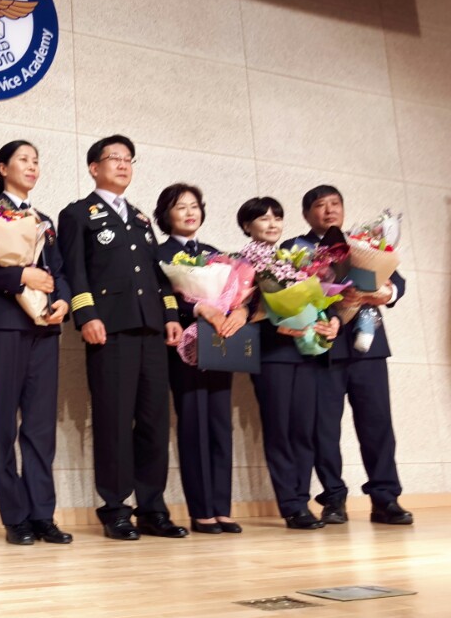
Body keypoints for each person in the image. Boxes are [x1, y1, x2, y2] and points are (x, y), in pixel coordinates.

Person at [57, 135, 187, 541]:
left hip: (151, 330)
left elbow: (158, 276)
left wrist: (170, 316)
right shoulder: (78, 214)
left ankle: (152, 508)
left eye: (129, 158)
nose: (123, 164)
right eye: (114, 157)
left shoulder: (142, 219)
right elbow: (74, 270)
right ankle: (115, 508)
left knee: (153, 421)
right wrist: (86, 314)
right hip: (110, 331)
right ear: (94, 168)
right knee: (113, 421)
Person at [286, 185, 412, 525]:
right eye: (320, 205)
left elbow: (397, 282)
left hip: (368, 347)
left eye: (335, 203)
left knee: (377, 424)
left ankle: (385, 498)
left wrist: (384, 292)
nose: (329, 210)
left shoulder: (363, 242)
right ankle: (333, 498)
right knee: (323, 429)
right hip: (322, 348)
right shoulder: (296, 248)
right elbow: (290, 293)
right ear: (306, 214)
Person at [0, 140, 73, 546]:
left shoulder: (44, 219)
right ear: (3, 167)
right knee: (3, 424)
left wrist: (63, 298)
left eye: (36, 161)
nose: (32, 167)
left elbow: (59, 269)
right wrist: (19, 278)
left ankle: (42, 514)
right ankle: (15, 517)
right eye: (23, 160)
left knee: (40, 425)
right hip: (6, 326)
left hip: (45, 326)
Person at [238, 197, 338, 529]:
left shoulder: (293, 258)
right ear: (247, 226)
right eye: (263, 218)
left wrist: (325, 320)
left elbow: (315, 299)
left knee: (304, 431)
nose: (272, 223)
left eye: (277, 217)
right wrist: (273, 322)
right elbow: (238, 311)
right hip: (271, 355)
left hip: (304, 352)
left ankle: (302, 498)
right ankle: (291, 505)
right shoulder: (241, 263)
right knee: (279, 430)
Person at [154, 184, 245, 535]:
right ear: (166, 214)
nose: (190, 212)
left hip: (220, 341)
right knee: (193, 424)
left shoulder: (215, 255)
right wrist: (197, 308)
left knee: (221, 424)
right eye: (181, 207)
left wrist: (240, 311)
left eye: (194, 206)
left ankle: (222, 508)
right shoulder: (159, 253)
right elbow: (162, 298)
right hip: (184, 347)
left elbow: (237, 292)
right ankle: (201, 510)